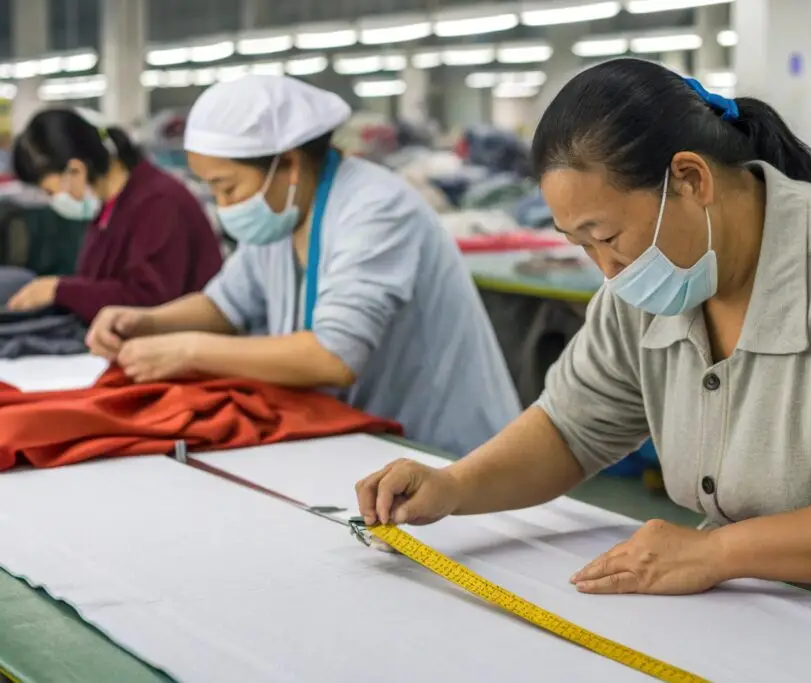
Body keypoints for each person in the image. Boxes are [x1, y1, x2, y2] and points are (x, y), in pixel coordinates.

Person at [356, 58, 811, 654]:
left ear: (691, 179)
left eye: (607, 235)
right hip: (753, 623)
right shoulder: (648, 285)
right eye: (581, 245)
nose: (607, 270)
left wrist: (716, 550)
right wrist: (455, 486)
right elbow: (570, 426)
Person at [85, 75, 520, 457]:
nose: (224, 206)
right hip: (359, 440)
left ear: (288, 163)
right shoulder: (284, 213)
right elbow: (226, 305)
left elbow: (333, 356)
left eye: (227, 187)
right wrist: (147, 322)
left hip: (443, 452)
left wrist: (188, 351)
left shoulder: (376, 209)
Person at [7, 108, 223, 321]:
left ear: (76, 170)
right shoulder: (109, 208)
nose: (53, 201)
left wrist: (59, 290)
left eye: (50, 192)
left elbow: (148, 300)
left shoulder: (159, 203)